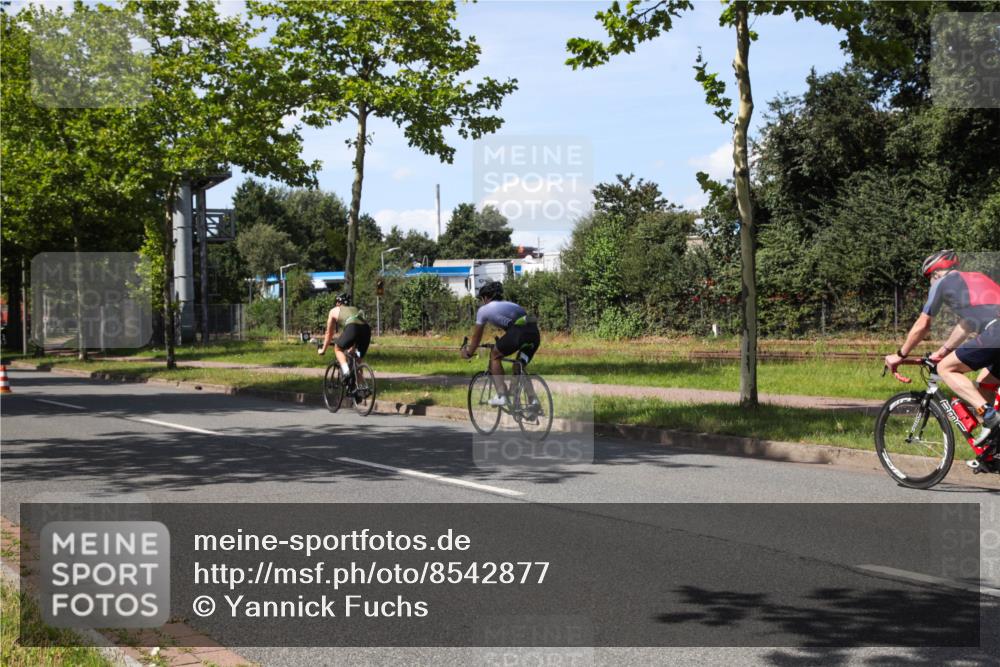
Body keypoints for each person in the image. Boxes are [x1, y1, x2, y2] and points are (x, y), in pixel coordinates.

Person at [884, 250, 1000, 432]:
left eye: (929, 278)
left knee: (945, 368)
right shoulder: (977, 278)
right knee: (985, 384)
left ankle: (990, 415)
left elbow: (923, 324)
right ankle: (993, 445)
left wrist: (900, 355)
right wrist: (943, 351)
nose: (930, 283)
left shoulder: (942, 282)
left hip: (996, 332)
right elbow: (967, 324)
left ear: (935, 273)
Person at [460, 280, 541, 407]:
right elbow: (514, 327)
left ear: (486, 297)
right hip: (534, 335)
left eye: (481, 299)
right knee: (518, 366)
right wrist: (502, 343)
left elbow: (476, 337)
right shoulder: (512, 305)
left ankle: (502, 396)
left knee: (495, 355)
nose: (482, 302)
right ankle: (533, 401)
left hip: (518, 333)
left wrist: (469, 352)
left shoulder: (483, 310)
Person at [318, 292, 371, 380]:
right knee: (357, 361)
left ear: (338, 302)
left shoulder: (334, 310)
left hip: (352, 327)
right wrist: (353, 347)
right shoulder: (355, 308)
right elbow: (356, 331)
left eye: (336, 302)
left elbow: (329, 333)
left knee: (338, 348)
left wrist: (323, 350)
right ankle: (361, 386)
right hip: (366, 329)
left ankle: (346, 371)